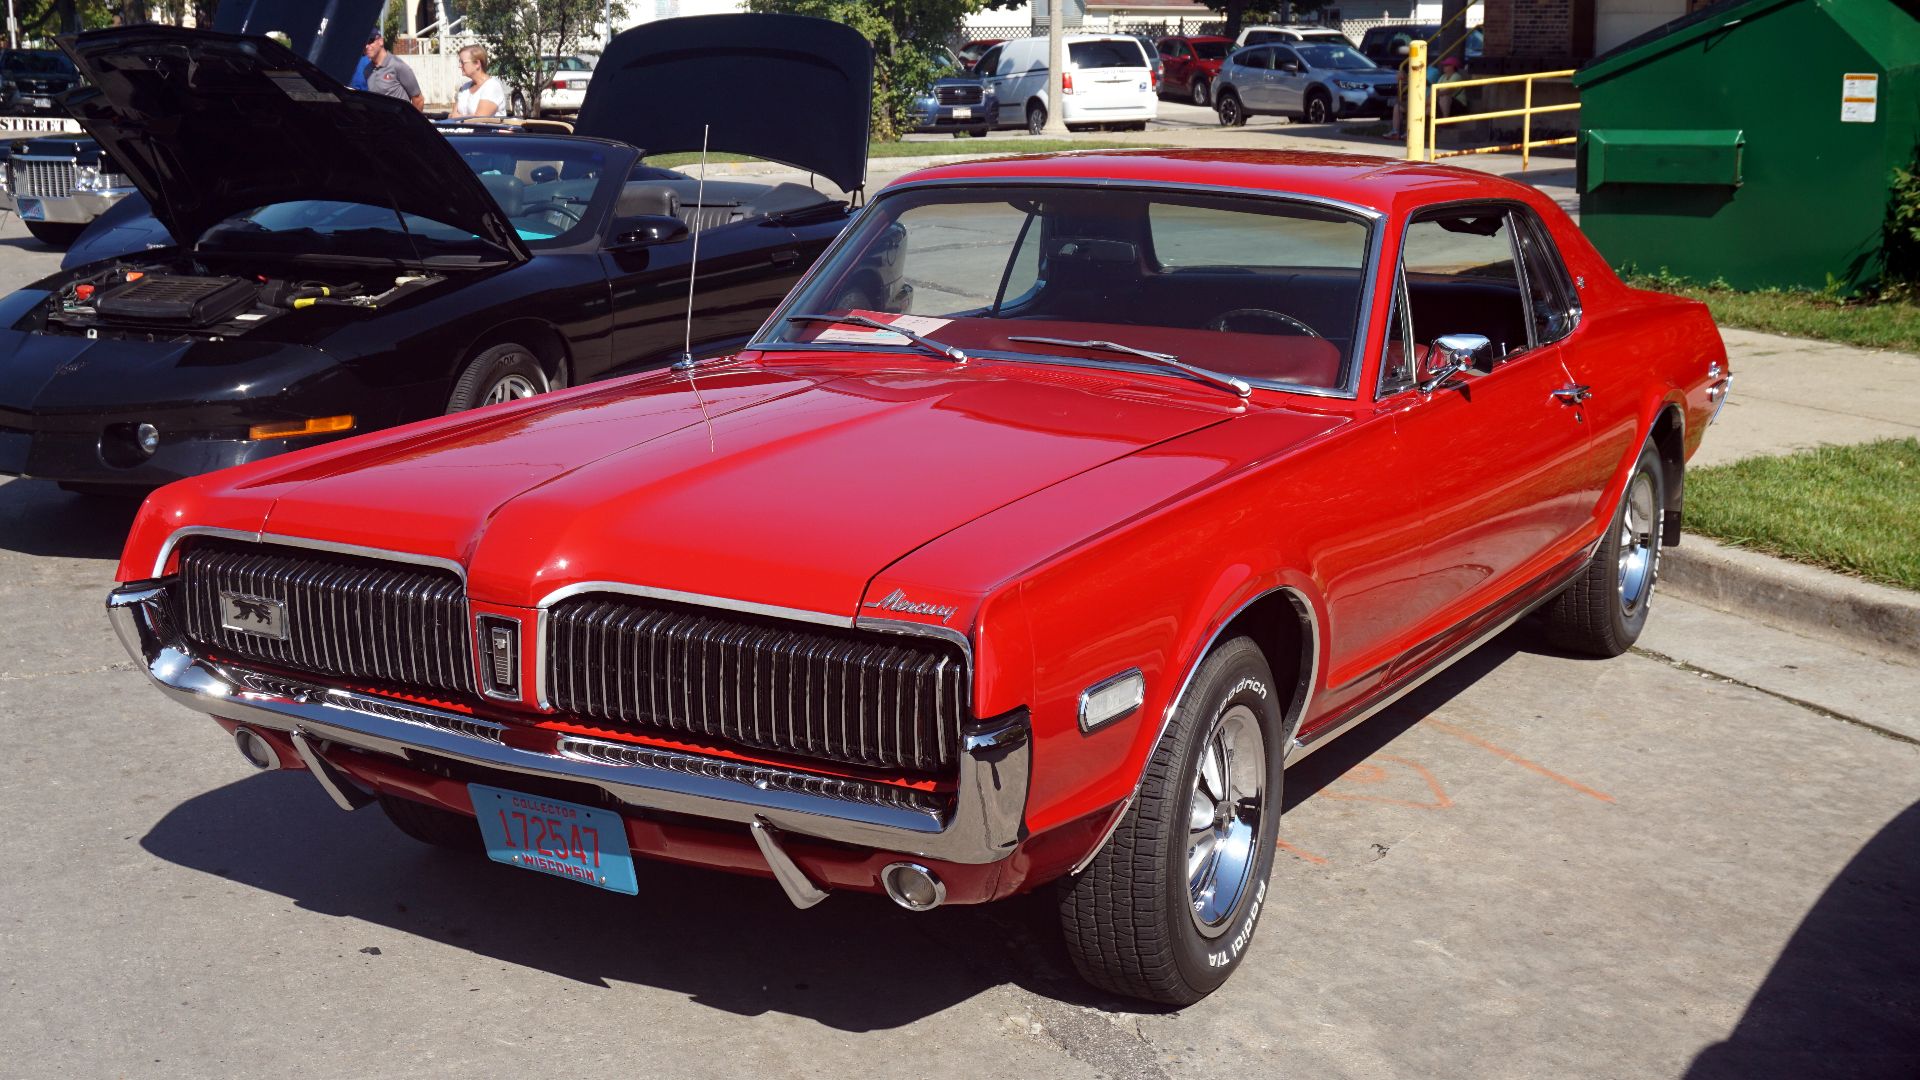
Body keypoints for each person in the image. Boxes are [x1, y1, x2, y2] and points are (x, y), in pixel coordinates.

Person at [362, 30, 424, 111]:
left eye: (370, 41)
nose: (366, 46)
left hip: (400, 119)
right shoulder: (367, 70)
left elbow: (418, 100)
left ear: (381, 41)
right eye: (363, 43)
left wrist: (410, 119)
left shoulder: (398, 66)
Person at [449, 44, 506, 119]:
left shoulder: (491, 86)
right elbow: (452, 115)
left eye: (463, 62)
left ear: (477, 64)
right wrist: (456, 117)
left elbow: (481, 118)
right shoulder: (464, 87)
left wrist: (458, 117)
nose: (459, 66)